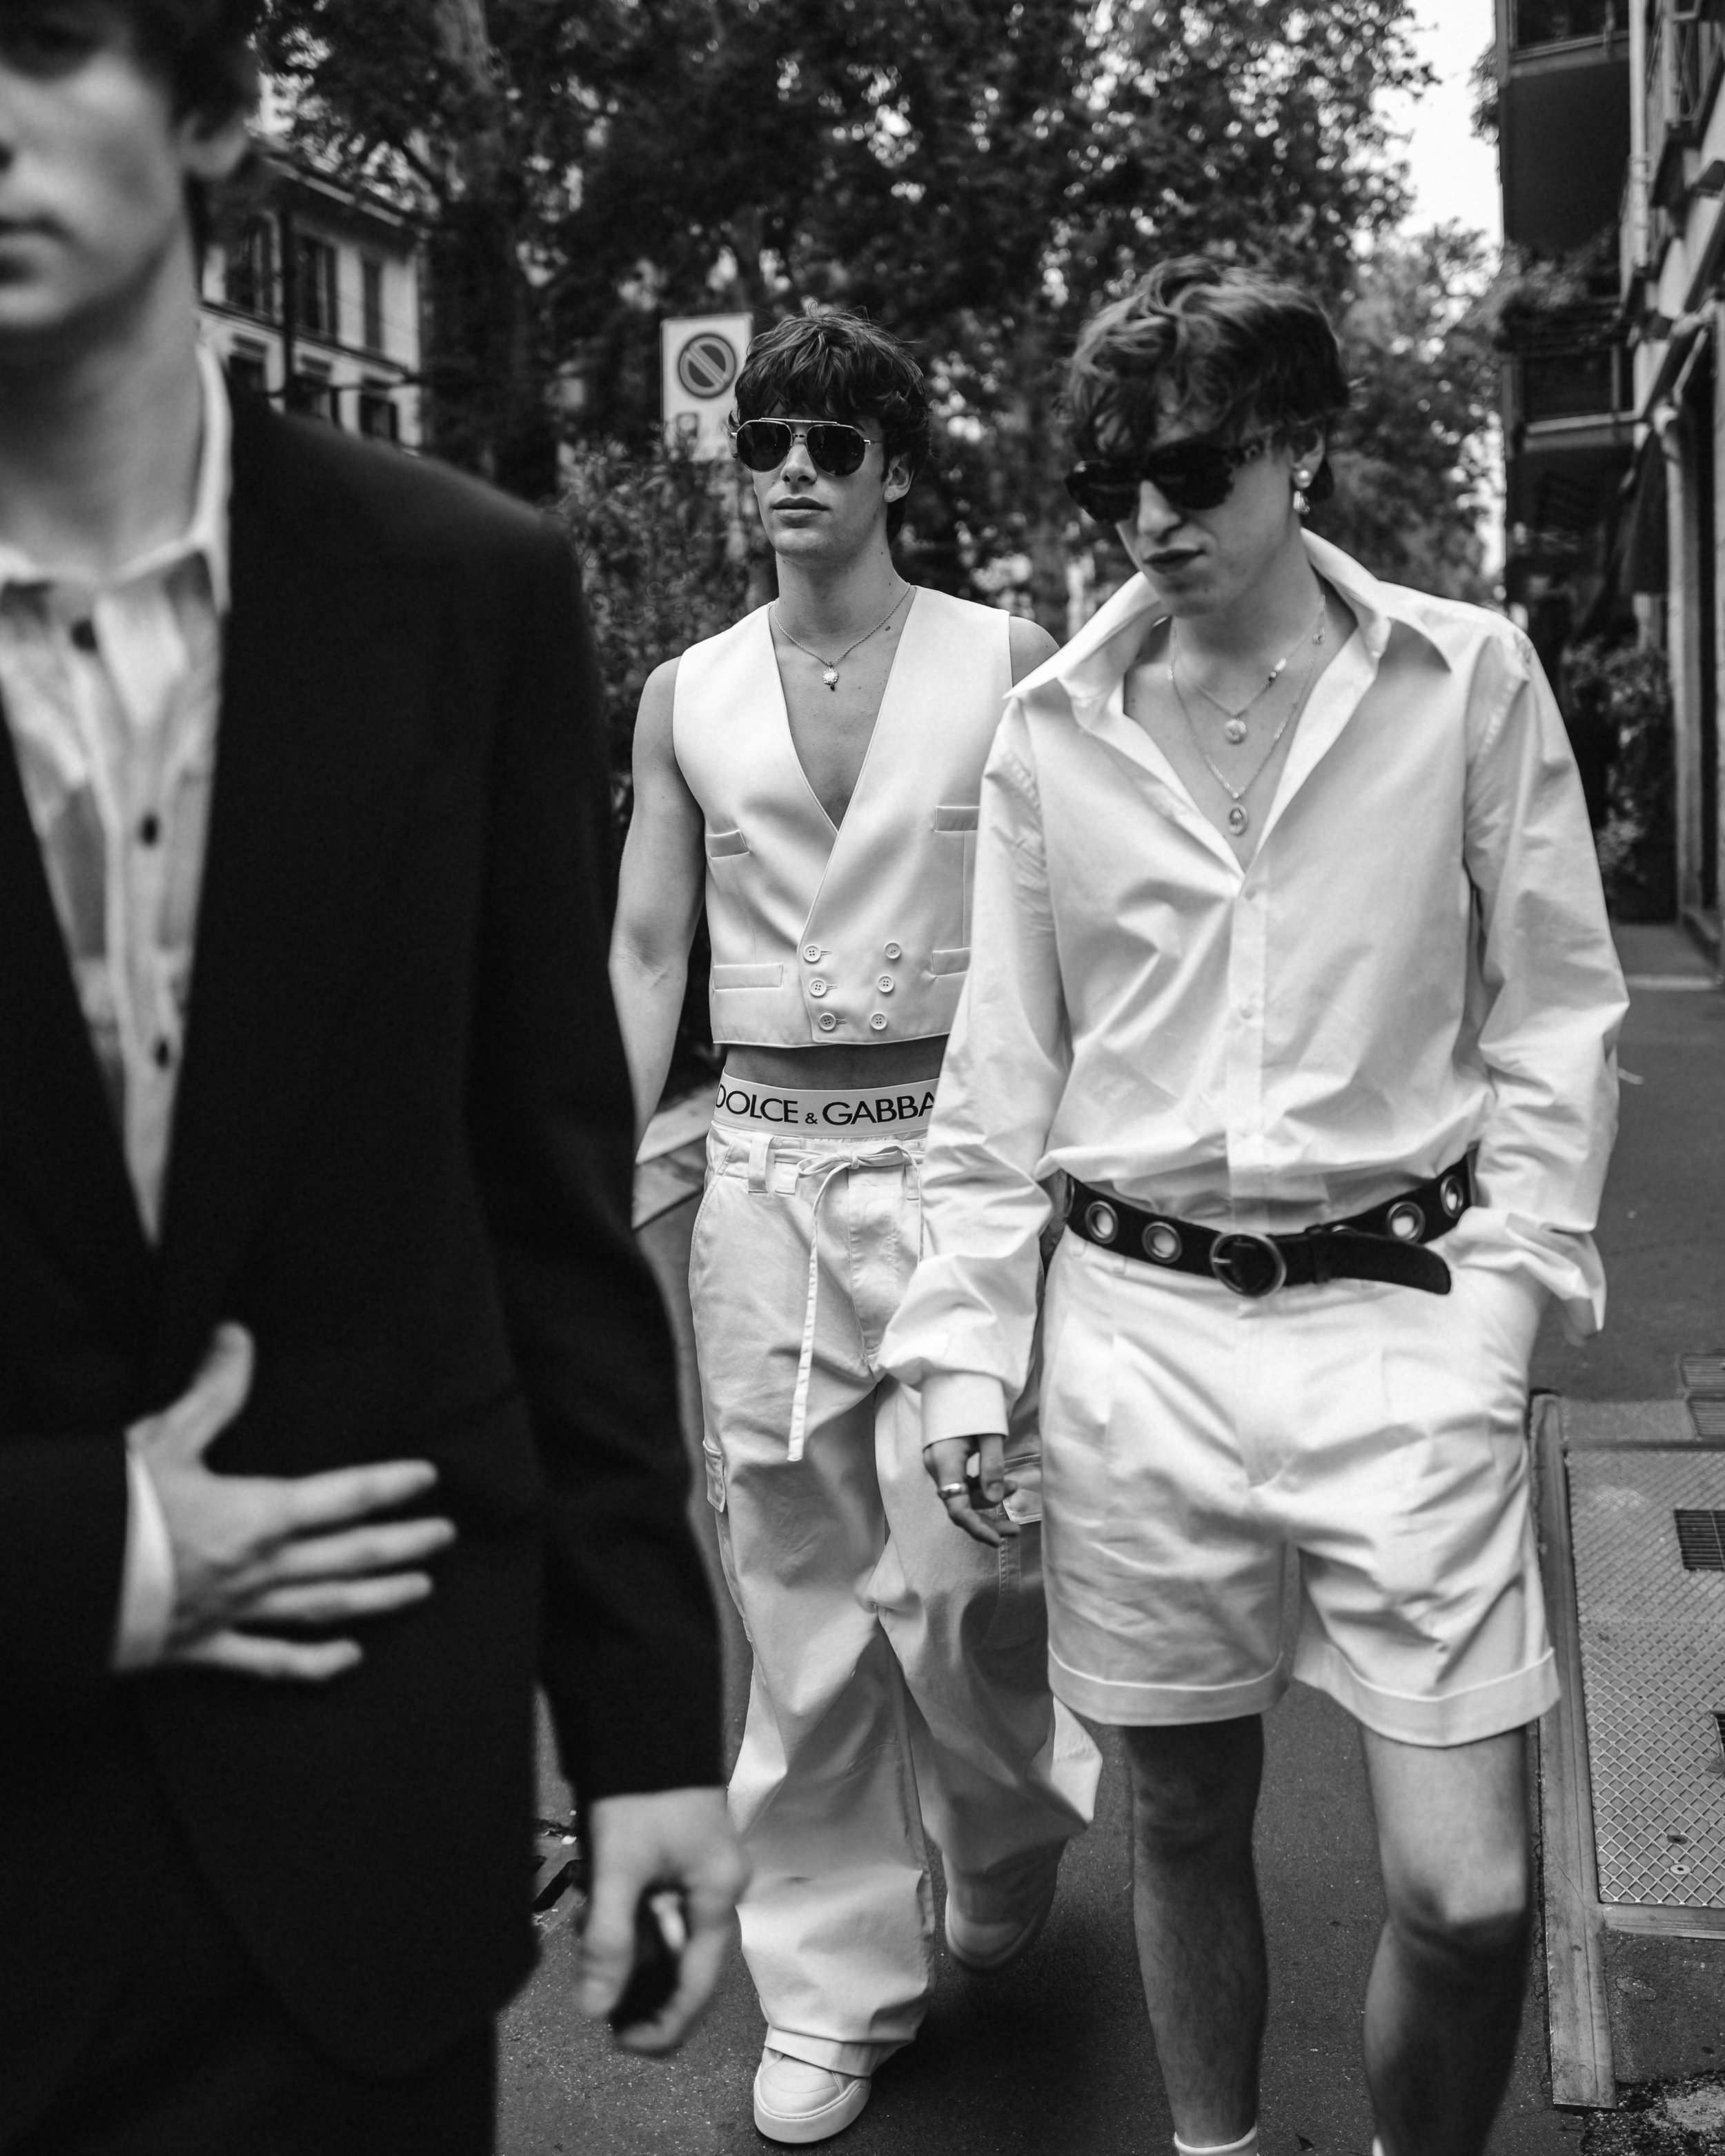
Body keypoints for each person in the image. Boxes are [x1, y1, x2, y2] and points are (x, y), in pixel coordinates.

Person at [0, 6, 744, 2152]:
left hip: (353, 1863)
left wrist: (646, 1729)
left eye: (37, 41)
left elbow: (543, 1203)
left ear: (213, 111)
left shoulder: (463, 594)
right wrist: (83, 1554)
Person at [881, 258, 1626, 2156]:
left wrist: (1505, 1303)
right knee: (1185, 1819)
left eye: (1191, 471)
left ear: (1297, 445)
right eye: (1108, 483)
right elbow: (1000, 1075)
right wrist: (965, 1355)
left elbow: (1556, 1006)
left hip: (1407, 1324)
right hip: (1135, 1340)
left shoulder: (1464, 677)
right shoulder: (1052, 727)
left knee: (1469, 1895)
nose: (1147, 519)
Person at [611, 307, 1101, 2143]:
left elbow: (1077, 935)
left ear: (896, 466)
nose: (795, 471)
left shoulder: (1010, 660)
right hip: (762, 1184)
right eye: (769, 444)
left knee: (975, 1580)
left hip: (963, 1178)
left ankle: (1004, 1820)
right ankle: (829, 1989)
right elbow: (646, 949)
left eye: (833, 442)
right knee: (800, 1602)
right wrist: (586, 1171)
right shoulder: (683, 693)